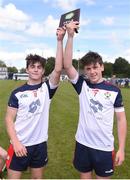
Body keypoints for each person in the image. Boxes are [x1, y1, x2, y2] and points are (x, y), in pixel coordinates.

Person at [63, 21, 127, 179]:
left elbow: (121, 120)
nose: (92, 72)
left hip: (104, 148)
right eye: (88, 69)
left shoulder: (114, 91)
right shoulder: (82, 85)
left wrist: (122, 148)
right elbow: (67, 64)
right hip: (83, 145)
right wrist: (70, 36)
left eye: (95, 67)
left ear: (102, 67)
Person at [5, 27, 65, 179]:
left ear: (43, 71)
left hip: (40, 145)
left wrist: (59, 40)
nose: (36, 70)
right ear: (27, 69)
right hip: (20, 143)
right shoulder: (17, 93)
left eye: (39, 67)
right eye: (33, 66)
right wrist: (16, 142)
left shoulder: (47, 89)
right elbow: (9, 119)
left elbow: (58, 69)